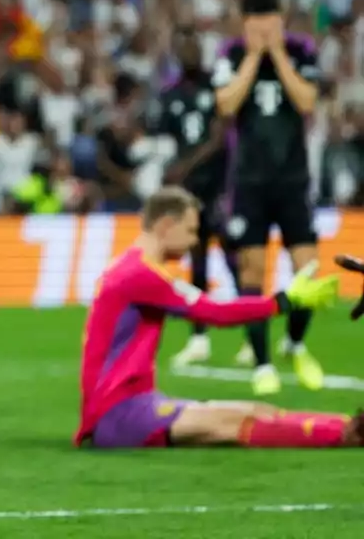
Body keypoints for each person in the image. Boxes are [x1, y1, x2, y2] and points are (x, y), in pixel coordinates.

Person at [75, 186, 358, 450]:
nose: (195, 240)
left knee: (255, 410)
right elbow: (215, 313)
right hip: (119, 413)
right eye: (190, 230)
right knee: (230, 423)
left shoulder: (133, 268)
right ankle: (345, 435)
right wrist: (283, 301)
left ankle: (346, 423)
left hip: (132, 404)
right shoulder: (140, 274)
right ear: (165, 226)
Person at [212, 0, 323, 394]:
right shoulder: (232, 54)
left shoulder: (301, 50)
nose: (264, 27)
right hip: (249, 183)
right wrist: (256, 57)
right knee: (252, 271)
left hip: (293, 181)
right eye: (256, 20)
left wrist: (276, 55)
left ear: (282, 18)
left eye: (271, 18)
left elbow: (307, 99)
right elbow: (226, 105)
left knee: (309, 268)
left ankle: (294, 342)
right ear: (245, 23)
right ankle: (262, 365)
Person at [152, 24, 235, 367]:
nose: (191, 52)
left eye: (195, 46)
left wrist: (183, 166)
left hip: (220, 185)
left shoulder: (215, 87)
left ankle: (251, 335)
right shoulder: (170, 96)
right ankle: (199, 338)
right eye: (184, 47)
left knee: (236, 256)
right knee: (197, 260)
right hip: (190, 190)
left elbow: (219, 137)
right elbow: (166, 141)